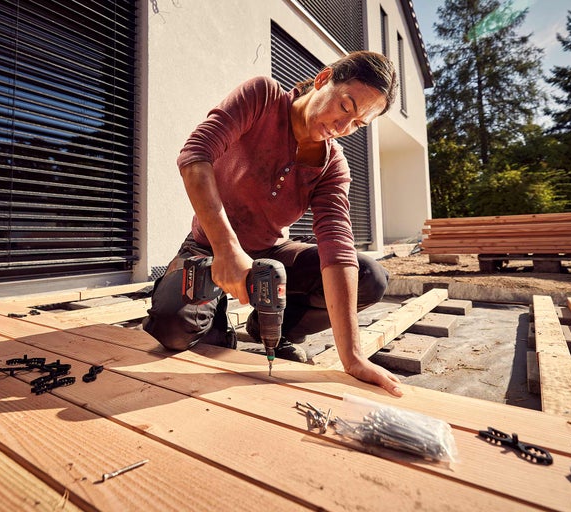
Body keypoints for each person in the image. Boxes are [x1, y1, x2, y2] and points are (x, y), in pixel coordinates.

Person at [144, 50, 403, 397]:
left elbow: (337, 246)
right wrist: (226, 249)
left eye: (357, 124)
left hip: (270, 253)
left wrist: (353, 357)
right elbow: (195, 155)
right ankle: (213, 314)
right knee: (175, 332)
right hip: (207, 248)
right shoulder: (262, 98)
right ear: (324, 79)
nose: (342, 128)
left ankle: (278, 334)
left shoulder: (332, 166)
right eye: (345, 107)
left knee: (370, 276)